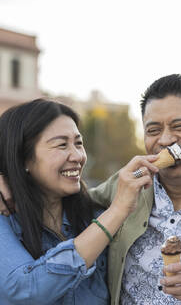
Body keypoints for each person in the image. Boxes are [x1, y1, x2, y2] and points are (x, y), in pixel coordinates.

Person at [1, 74, 181, 304]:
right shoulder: (123, 190)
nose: (166, 139)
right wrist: (8, 180)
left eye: (180, 125)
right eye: (154, 130)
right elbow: (62, 201)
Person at [0, 99, 158, 304]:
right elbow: (25, 290)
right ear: (24, 158)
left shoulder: (94, 215)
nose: (77, 156)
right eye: (61, 144)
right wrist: (117, 211)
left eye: (78, 143)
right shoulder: (6, 219)